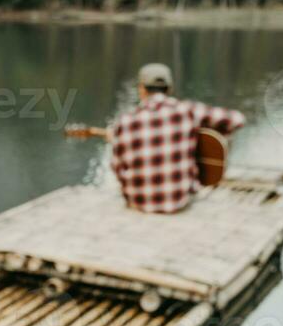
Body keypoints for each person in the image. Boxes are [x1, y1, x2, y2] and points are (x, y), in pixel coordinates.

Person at [86, 63, 246, 214]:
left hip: (138, 201)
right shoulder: (187, 110)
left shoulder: (125, 121)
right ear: (169, 88)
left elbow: (117, 166)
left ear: (141, 89)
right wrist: (205, 134)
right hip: (179, 200)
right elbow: (238, 120)